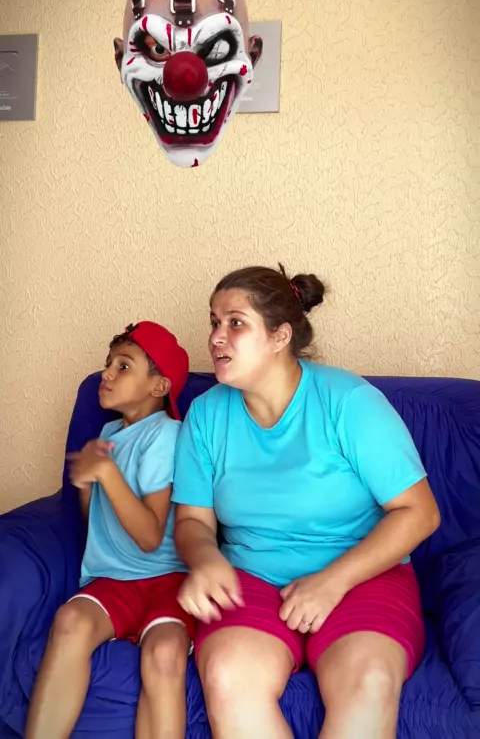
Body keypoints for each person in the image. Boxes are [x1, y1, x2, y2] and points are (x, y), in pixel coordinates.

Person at [172, 265, 441, 739]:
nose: (216, 337)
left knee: (368, 682)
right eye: (214, 322)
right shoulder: (205, 415)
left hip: (361, 574)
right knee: (228, 676)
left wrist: (332, 582)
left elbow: (420, 512)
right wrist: (206, 559)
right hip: (252, 577)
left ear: (280, 336)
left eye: (236, 323)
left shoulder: (349, 401)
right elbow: (193, 520)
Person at [25, 321, 194, 739]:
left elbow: (150, 536)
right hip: (113, 579)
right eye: (108, 363)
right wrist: (87, 488)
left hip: (168, 579)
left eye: (124, 365)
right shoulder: (107, 435)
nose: (107, 373)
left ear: (159, 386)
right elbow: (99, 525)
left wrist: (106, 473)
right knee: (70, 622)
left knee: (165, 652)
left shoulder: (165, 435)